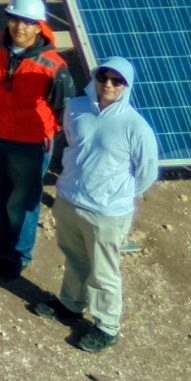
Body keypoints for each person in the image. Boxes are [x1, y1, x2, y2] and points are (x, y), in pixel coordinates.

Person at [38, 57, 159, 353]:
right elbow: (72, 142)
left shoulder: (135, 126)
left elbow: (147, 171)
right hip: (69, 200)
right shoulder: (76, 107)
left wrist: (117, 195)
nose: (108, 85)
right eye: (103, 77)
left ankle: (107, 326)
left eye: (117, 81)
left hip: (107, 213)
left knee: (103, 271)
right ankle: (70, 304)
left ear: (126, 86)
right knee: (74, 257)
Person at [0, 0, 76, 282]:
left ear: (38, 26)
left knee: (22, 201)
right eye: (15, 19)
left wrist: (40, 134)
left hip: (29, 144)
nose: (20, 27)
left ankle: (18, 254)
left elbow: (63, 111)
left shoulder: (53, 67)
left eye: (28, 22)